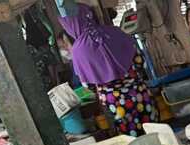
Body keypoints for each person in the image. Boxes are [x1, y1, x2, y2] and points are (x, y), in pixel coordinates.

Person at [57, 2, 158, 136]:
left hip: (116, 104)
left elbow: (89, 85)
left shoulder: (78, 50)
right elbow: (139, 61)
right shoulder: (115, 31)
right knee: (158, 133)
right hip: (140, 93)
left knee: (134, 141)